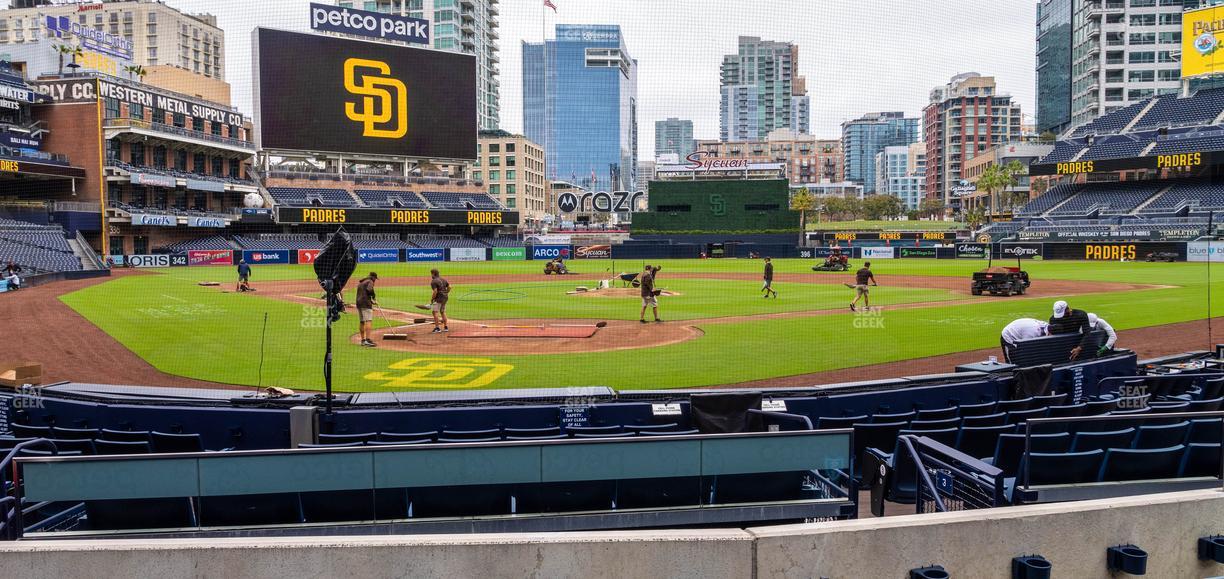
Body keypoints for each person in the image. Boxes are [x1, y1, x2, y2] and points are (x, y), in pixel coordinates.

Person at [355, 272, 378, 347]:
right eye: (375, 279)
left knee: (362, 321)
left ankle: (363, 340)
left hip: (359, 303)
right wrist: (373, 297)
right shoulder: (370, 281)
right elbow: (369, 290)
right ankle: (368, 340)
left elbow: (364, 293)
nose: (375, 281)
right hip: (365, 304)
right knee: (368, 320)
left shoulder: (361, 282)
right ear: (373, 277)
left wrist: (371, 300)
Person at [429, 268, 450, 333]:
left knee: (434, 312)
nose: (431, 275)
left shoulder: (433, 281)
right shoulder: (443, 279)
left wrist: (432, 299)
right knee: (442, 312)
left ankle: (437, 328)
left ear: (433, 274)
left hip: (439, 298)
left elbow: (435, 291)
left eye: (431, 274)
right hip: (445, 297)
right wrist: (446, 292)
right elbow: (450, 287)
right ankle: (446, 327)